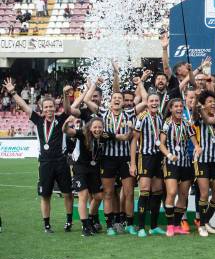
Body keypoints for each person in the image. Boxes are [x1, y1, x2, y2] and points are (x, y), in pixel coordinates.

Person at [3, 78, 74, 233]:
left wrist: (65, 95)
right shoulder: (38, 120)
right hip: (45, 162)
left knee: (68, 193)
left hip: (61, 161)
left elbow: (68, 110)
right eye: (46, 107)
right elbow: (24, 106)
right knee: (45, 195)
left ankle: (69, 222)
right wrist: (13, 92)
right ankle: (47, 225)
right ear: (42, 108)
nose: (49, 109)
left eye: (51, 107)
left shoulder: (61, 118)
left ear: (55, 108)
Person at [83, 88, 138, 236]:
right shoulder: (102, 113)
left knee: (129, 193)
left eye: (120, 98)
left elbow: (145, 101)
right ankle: (110, 226)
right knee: (108, 192)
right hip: (107, 158)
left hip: (125, 158)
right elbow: (87, 100)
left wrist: (140, 83)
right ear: (110, 100)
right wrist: (94, 84)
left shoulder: (130, 113)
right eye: (115, 97)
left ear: (122, 101)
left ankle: (129, 224)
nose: (117, 100)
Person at [159, 98, 199, 237]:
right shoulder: (167, 124)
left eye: (181, 106)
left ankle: (176, 225)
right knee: (171, 192)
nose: (179, 108)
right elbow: (161, 144)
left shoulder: (187, 124)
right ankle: (170, 226)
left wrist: (198, 149)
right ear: (170, 109)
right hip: (171, 163)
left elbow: (195, 142)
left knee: (183, 195)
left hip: (186, 164)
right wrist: (169, 155)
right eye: (176, 106)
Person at [130, 93, 166, 237]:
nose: (154, 103)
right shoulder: (142, 117)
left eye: (156, 100)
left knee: (157, 190)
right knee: (144, 190)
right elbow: (134, 141)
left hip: (158, 157)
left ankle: (154, 226)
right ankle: (140, 227)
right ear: (147, 102)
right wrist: (133, 163)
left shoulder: (161, 117)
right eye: (151, 101)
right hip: (145, 157)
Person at [62, 117, 105, 236]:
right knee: (84, 195)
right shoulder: (83, 133)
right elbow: (67, 131)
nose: (97, 129)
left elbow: (121, 137)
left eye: (100, 127)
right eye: (95, 127)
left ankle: (90, 219)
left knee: (98, 196)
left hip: (94, 168)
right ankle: (85, 226)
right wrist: (66, 124)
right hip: (80, 167)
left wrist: (130, 131)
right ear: (90, 128)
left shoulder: (104, 136)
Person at [193, 91, 215, 237]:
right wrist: (197, 105)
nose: (213, 104)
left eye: (214, 102)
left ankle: (205, 221)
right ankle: (201, 225)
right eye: (210, 102)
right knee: (204, 193)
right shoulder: (199, 118)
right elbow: (196, 115)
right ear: (204, 104)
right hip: (202, 161)